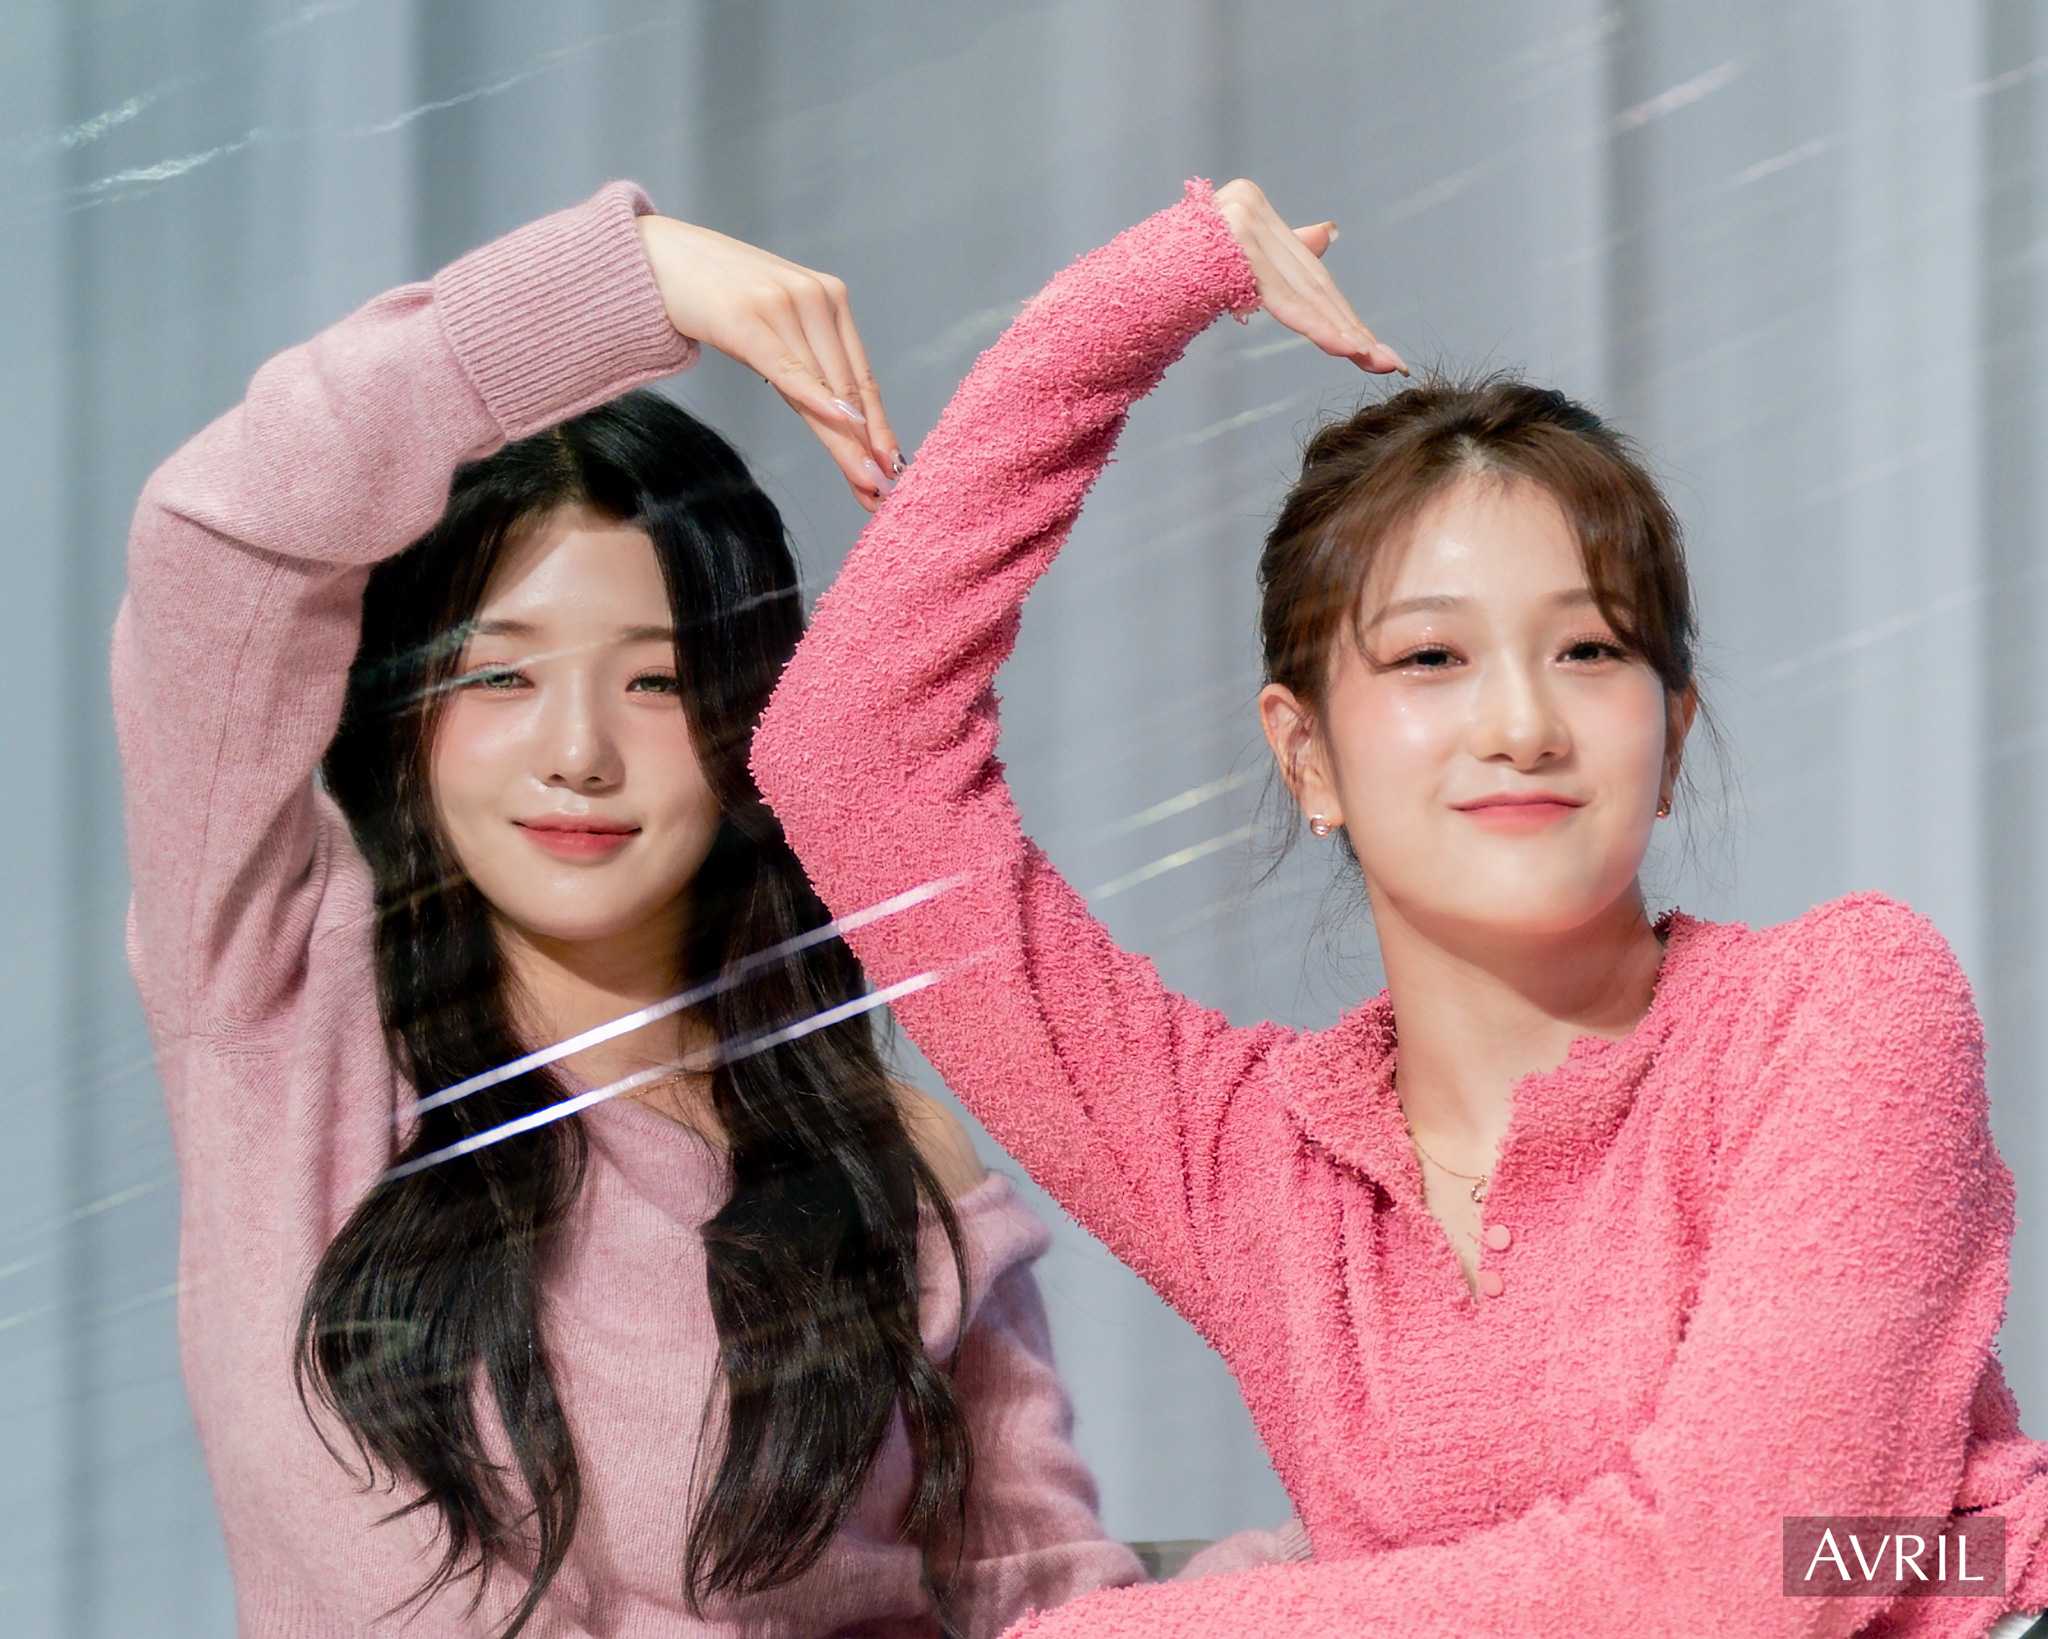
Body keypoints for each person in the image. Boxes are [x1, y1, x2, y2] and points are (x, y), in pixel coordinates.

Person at [750, 176, 2048, 1637]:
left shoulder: (1842, 1011)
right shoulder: (1249, 1165)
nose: (1522, 725)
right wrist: (1153, 291)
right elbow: (848, 756)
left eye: (1591, 652)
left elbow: (1755, 1570)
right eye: (1433, 658)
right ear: (1305, 754)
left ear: (1672, 736)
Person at [115, 181, 1144, 1638]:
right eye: (502, 675)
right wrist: (633, 278)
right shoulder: (290, 1015)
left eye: (656, 678)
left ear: (745, 719)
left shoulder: (882, 1154)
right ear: (407, 716)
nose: (580, 752)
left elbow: (1034, 1600)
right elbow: (214, 545)